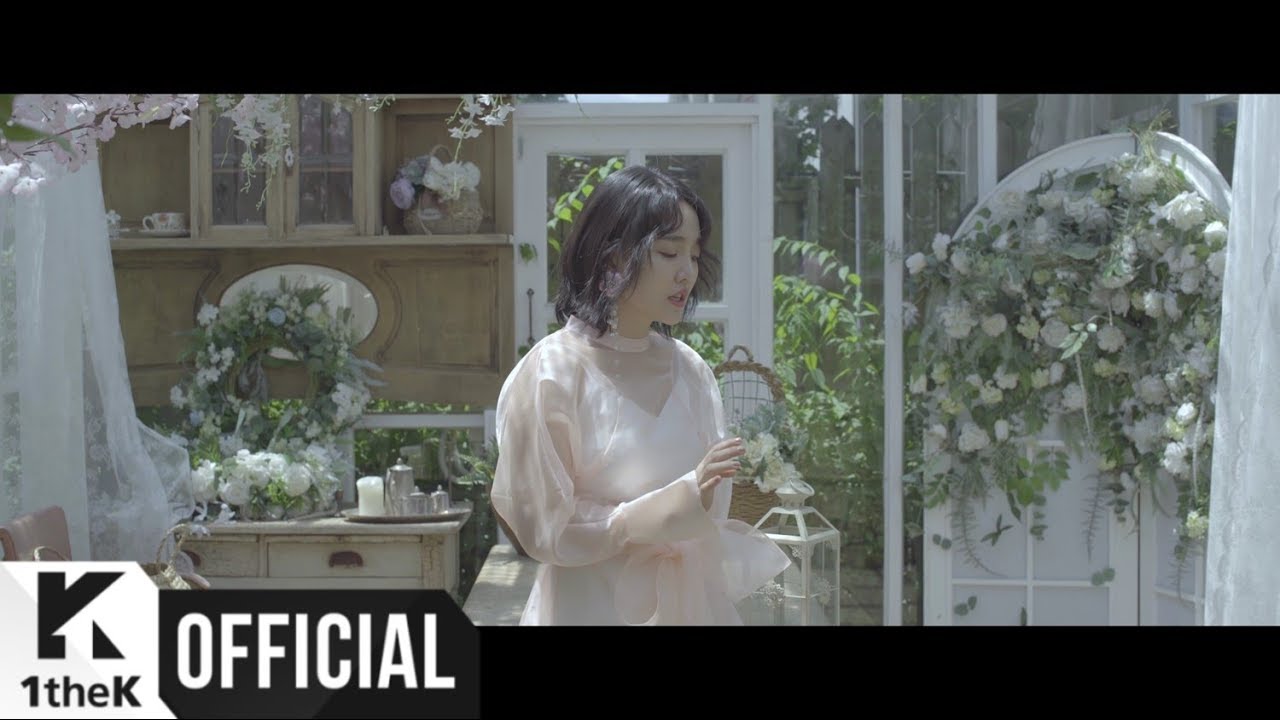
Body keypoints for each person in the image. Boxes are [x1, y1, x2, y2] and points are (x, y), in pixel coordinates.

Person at [490, 165, 790, 625]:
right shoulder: (553, 372)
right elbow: (543, 525)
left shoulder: (690, 370)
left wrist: (695, 499)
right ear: (613, 257)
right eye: (669, 252)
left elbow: (711, 514)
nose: (687, 272)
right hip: (587, 609)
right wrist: (669, 505)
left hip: (686, 605)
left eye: (694, 254)